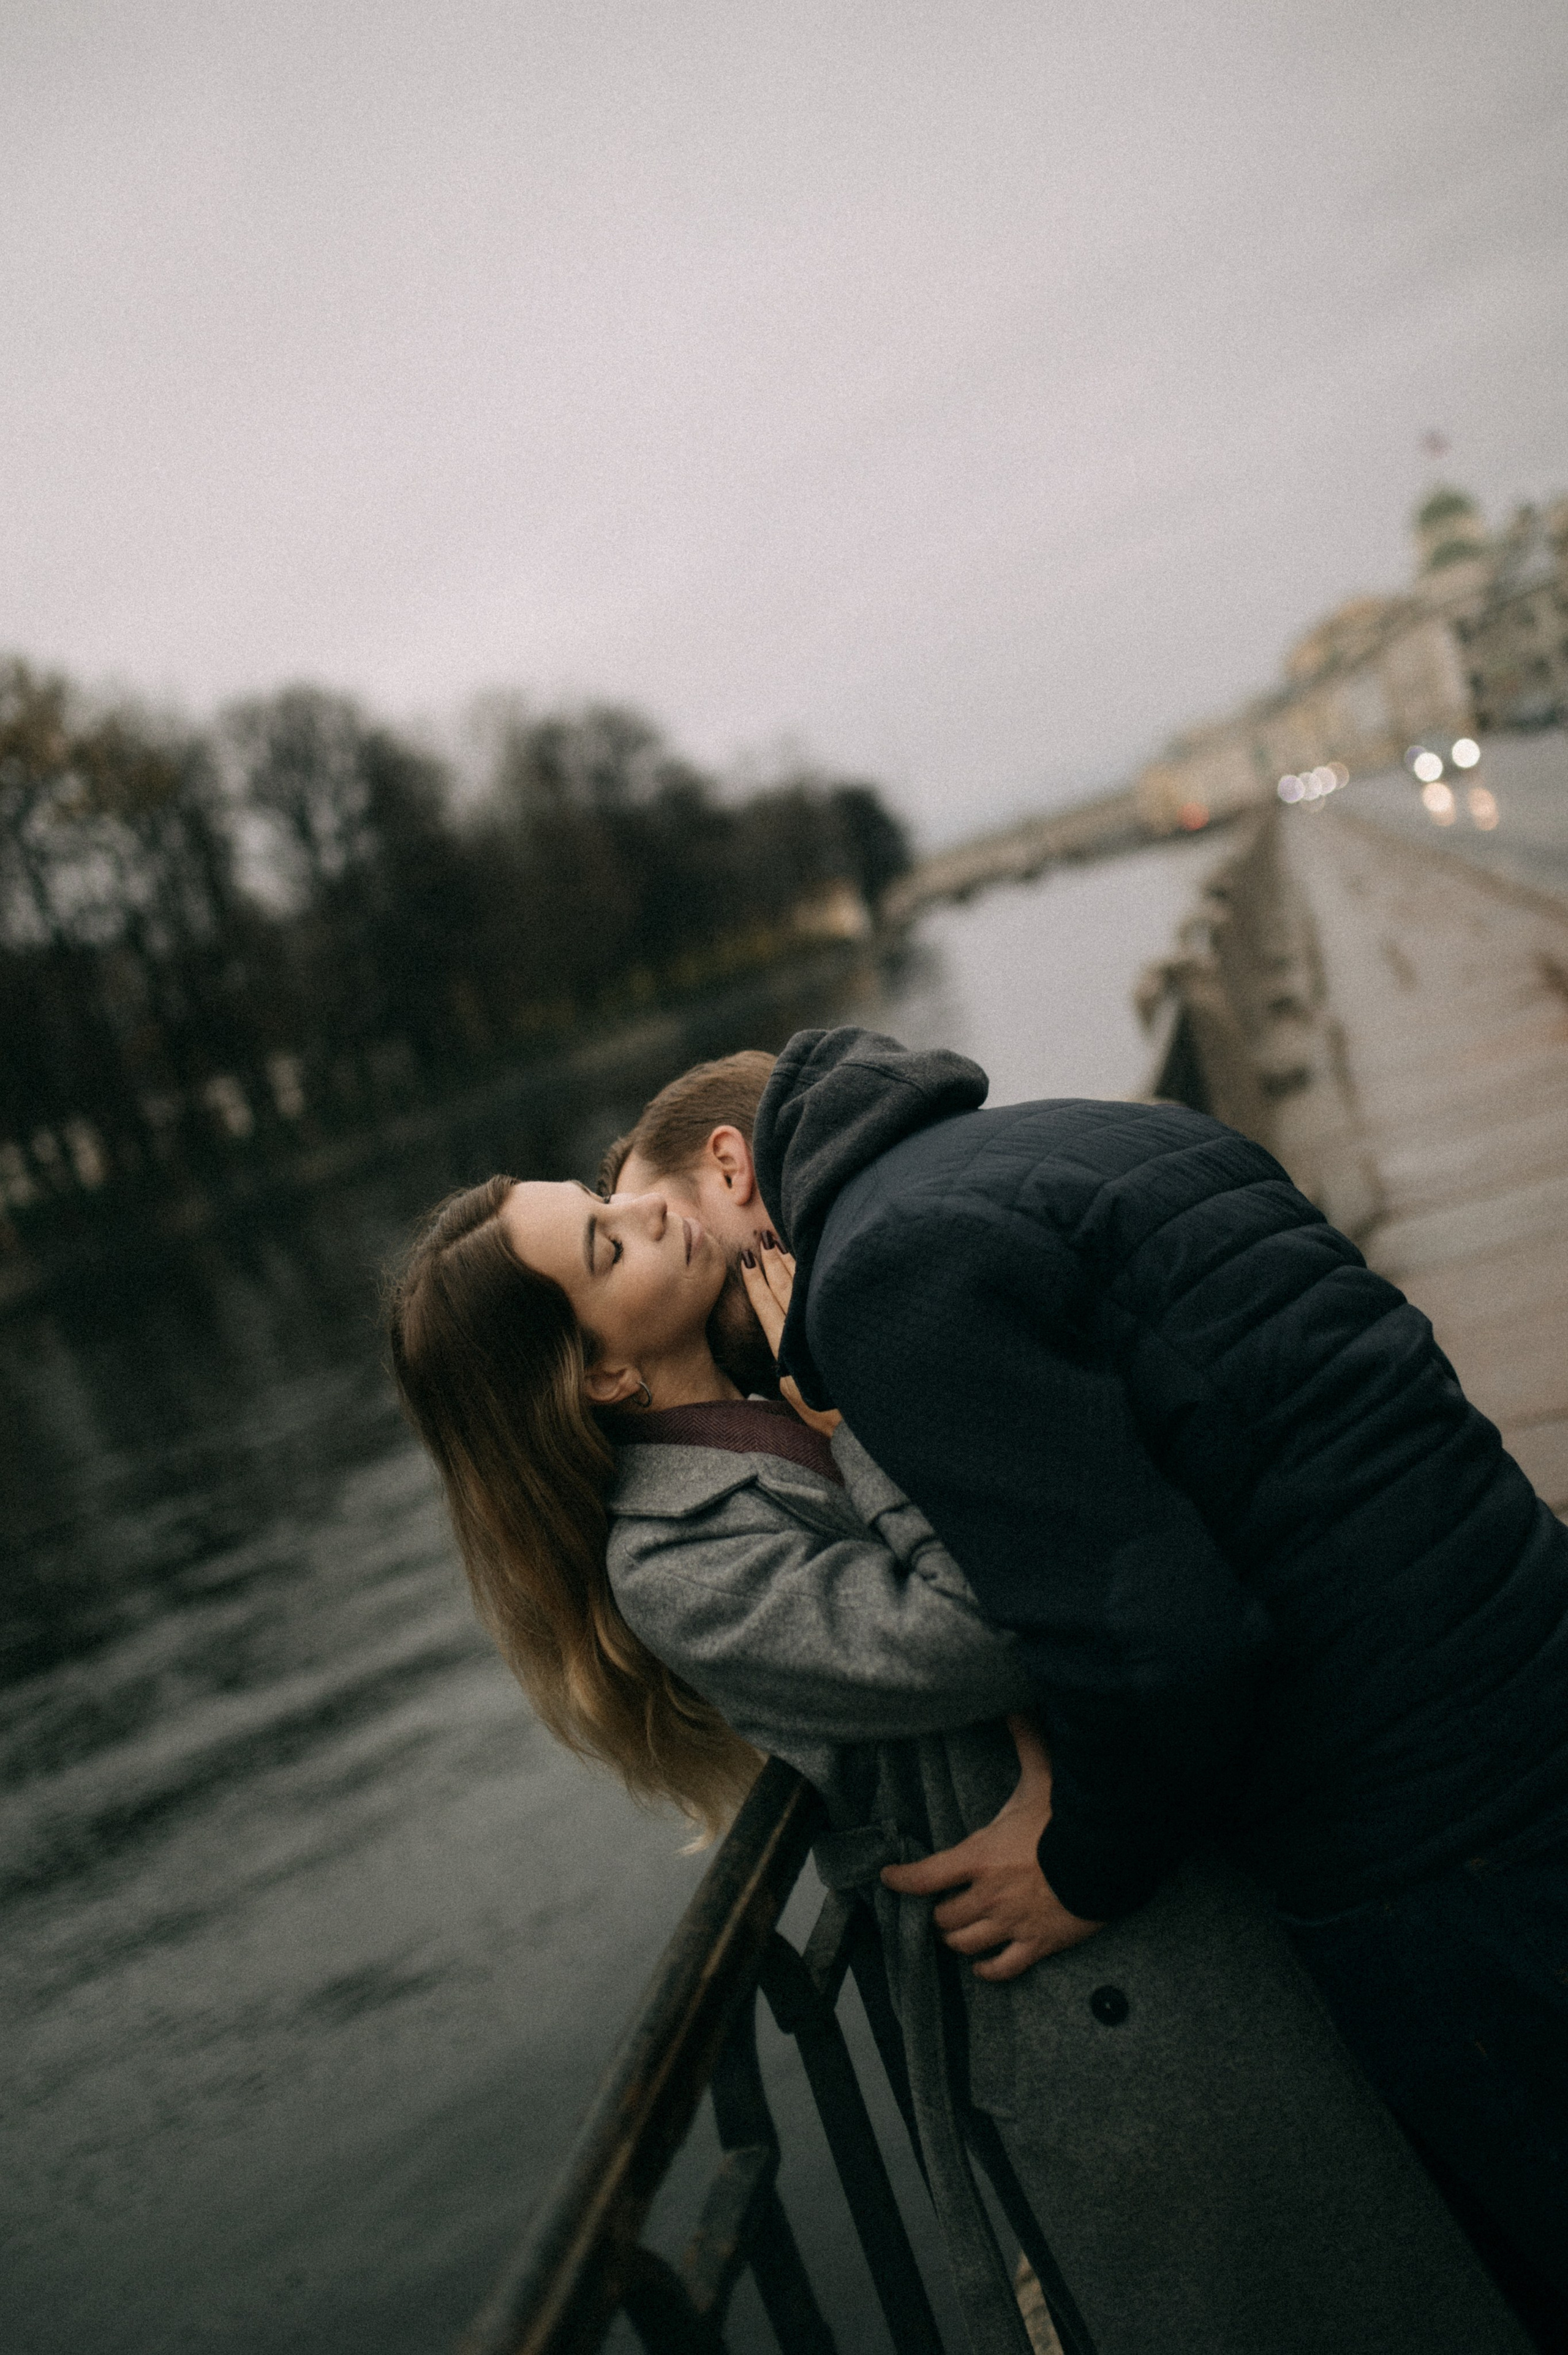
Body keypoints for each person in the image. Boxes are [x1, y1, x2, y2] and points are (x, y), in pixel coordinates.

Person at [607, 1028, 1568, 2334]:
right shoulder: (1096, 1130)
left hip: (1417, 1822)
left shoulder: (885, 1270)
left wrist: (1079, 1865)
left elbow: (1157, 1632)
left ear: (732, 1164)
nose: (673, 1258)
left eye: (656, 1217)